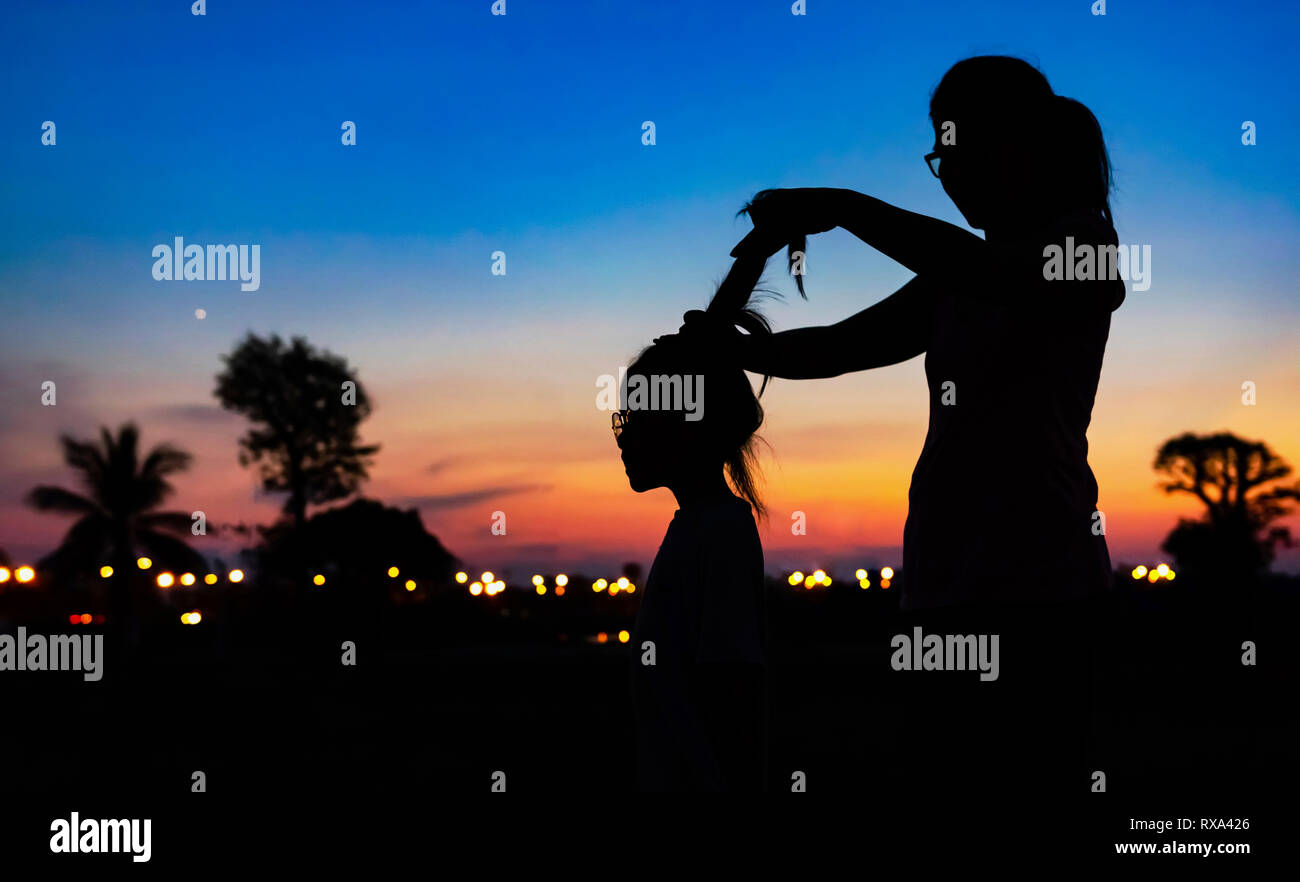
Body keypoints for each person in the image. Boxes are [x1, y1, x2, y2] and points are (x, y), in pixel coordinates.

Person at [684, 56, 1124, 799]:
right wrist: (743, 351)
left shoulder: (1083, 246)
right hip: (942, 573)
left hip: (1040, 579)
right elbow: (842, 346)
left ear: (1014, 145)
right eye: (937, 154)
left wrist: (844, 206)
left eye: (952, 147)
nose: (944, 170)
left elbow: (993, 273)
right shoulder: (964, 269)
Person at [616, 254, 772, 792]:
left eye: (636, 417)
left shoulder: (719, 532)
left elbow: (732, 691)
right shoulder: (697, 525)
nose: (623, 437)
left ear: (683, 426)